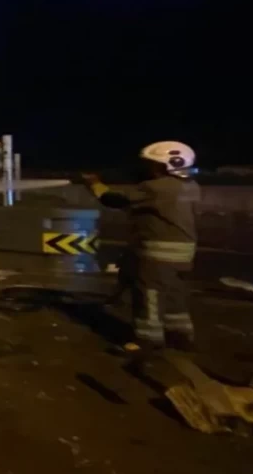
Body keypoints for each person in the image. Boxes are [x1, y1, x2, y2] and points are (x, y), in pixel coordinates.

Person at [83, 141, 201, 350]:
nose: (148, 168)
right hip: (185, 254)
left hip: (157, 255)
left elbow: (114, 199)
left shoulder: (155, 187)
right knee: (175, 294)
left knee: (150, 295)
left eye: (152, 164)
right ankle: (180, 336)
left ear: (166, 165)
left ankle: (147, 340)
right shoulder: (191, 187)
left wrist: (94, 184)